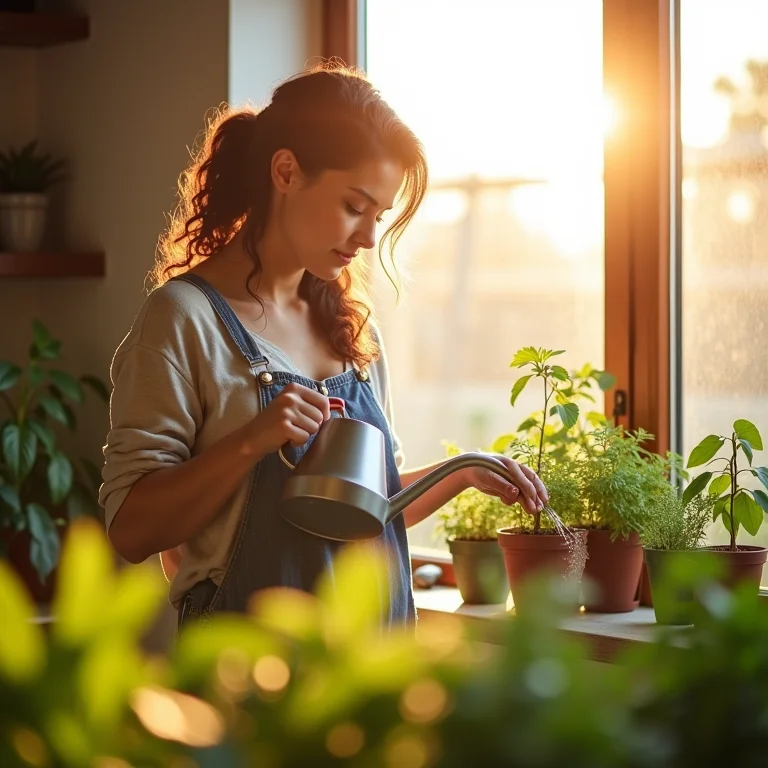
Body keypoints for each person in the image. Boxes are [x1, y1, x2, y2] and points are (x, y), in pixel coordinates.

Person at [100, 62, 548, 630]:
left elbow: (364, 510)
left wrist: (459, 473)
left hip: (369, 666)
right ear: (286, 171)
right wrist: (251, 443)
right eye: (354, 207)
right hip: (247, 668)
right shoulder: (183, 319)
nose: (367, 238)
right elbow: (133, 529)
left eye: (378, 216)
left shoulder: (352, 329)